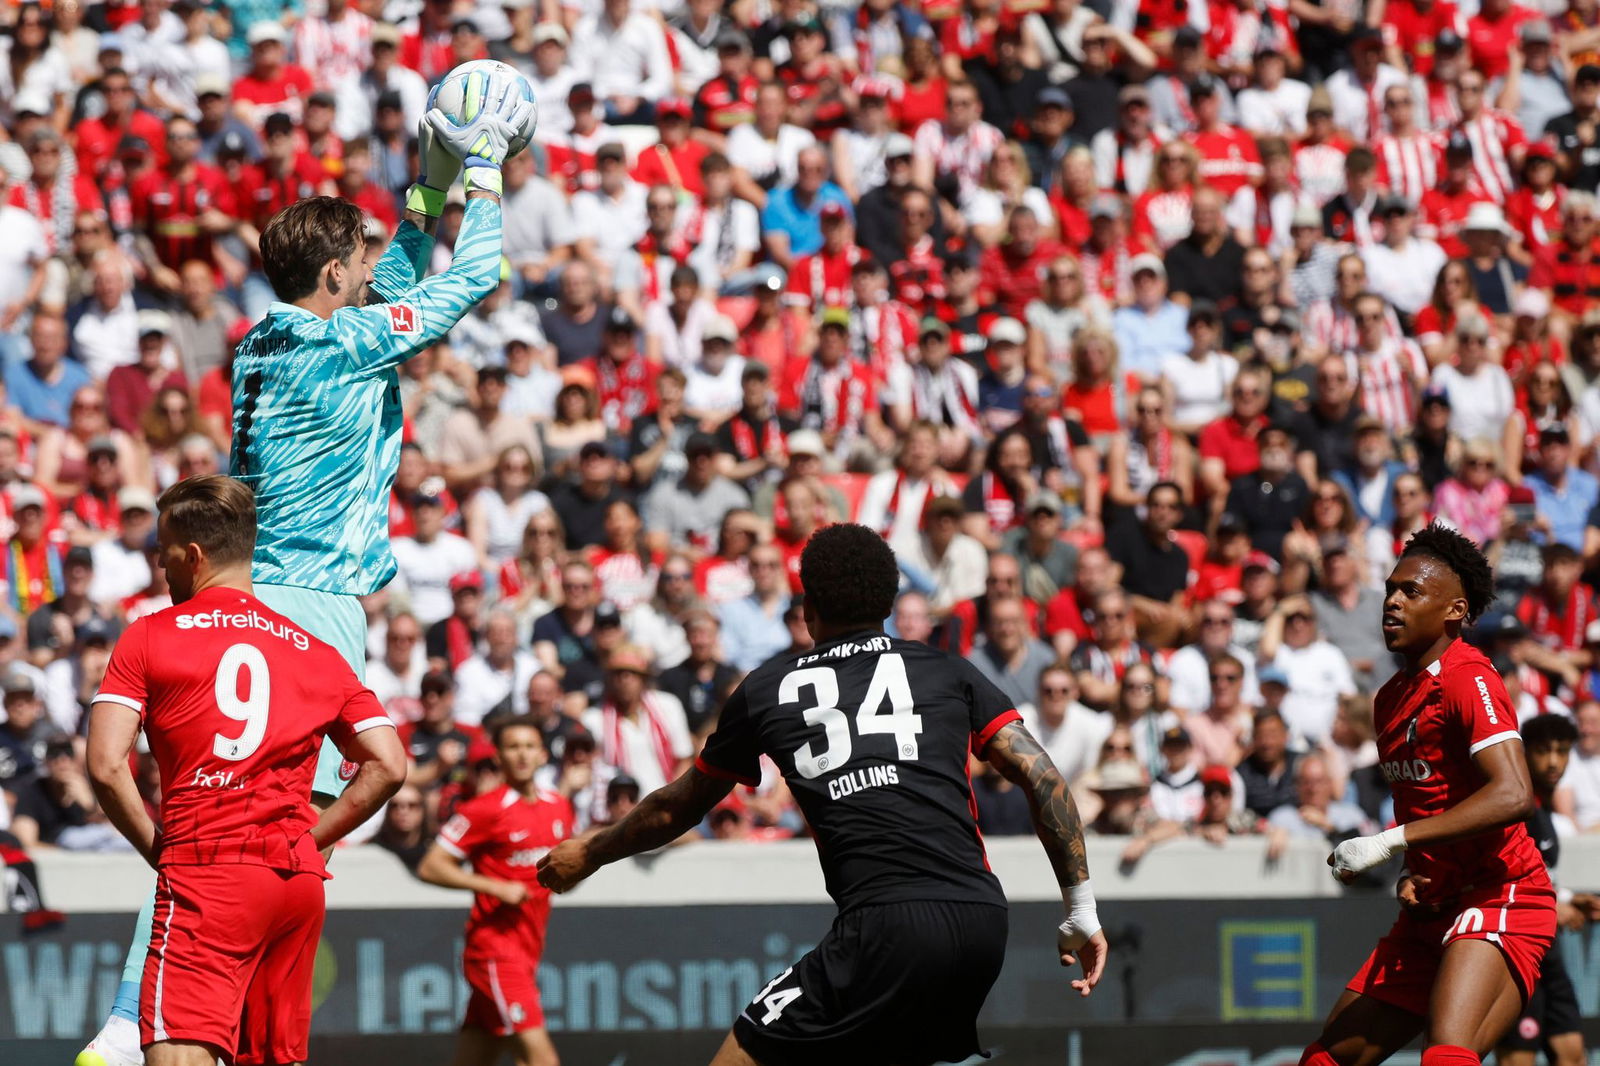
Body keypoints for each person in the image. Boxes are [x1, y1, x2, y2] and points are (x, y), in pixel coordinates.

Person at [78, 87, 532, 1066]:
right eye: (364, 261)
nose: (378, 273)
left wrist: (419, 198)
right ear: (336, 272)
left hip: (249, 597)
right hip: (309, 613)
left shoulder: (266, 339)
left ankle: (146, 1021)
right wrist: (481, 171)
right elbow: (477, 274)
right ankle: (148, 1023)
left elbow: (392, 279)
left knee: (221, 832)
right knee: (268, 840)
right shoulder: (351, 336)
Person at [537, 523, 1108, 1066]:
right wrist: (1080, 907)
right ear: (887, 604)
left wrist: (590, 852)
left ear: (808, 607)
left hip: (885, 927)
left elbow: (674, 807)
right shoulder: (946, 671)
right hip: (982, 926)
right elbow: (1044, 778)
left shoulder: (769, 688)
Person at [82, 475, 405, 1066]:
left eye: (164, 553)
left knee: (178, 1053)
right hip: (295, 884)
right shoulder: (318, 650)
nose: (161, 567)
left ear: (194, 555)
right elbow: (388, 764)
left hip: (208, 870)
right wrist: (309, 843)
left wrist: (158, 849)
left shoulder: (150, 635)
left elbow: (105, 766)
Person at [1301, 524, 1557, 1066]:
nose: (1392, 601)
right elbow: (1426, 799)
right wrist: (1412, 869)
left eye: (1411, 592)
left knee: (1445, 1056)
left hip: (1500, 893)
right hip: (1433, 905)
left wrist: (1392, 841)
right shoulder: (1390, 698)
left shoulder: (1469, 677)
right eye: (1391, 588)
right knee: (1325, 1060)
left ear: (1454, 611)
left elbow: (1513, 794)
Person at [417, 717, 572, 1066]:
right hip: (494, 951)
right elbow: (431, 865)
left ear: (543, 754)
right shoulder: (484, 809)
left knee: (476, 1056)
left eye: (530, 746)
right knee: (540, 1059)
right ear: (498, 757)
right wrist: (492, 886)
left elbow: (565, 875)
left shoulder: (558, 807)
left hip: (529, 947)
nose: (522, 755)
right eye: (513, 747)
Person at [1494, 713, 1594, 1066]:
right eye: (1543, 751)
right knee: (1517, 1059)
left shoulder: (1543, 812)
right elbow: (1502, 878)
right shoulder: (1509, 808)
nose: (1554, 761)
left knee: (1573, 1055)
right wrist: (1555, 906)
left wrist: (1566, 898)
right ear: (1524, 754)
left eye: (1563, 751)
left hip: (1546, 954)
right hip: (1514, 950)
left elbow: (1537, 875)